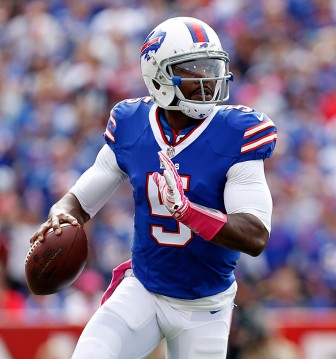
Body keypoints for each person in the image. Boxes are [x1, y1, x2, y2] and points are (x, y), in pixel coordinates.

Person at [28, 16, 277, 359]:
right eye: (193, 69)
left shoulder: (238, 133)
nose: (208, 78)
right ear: (158, 75)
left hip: (205, 307)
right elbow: (80, 200)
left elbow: (255, 235)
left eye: (212, 66)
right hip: (143, 291)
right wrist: (59, 215)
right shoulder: (132, 125)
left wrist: (189, 212)